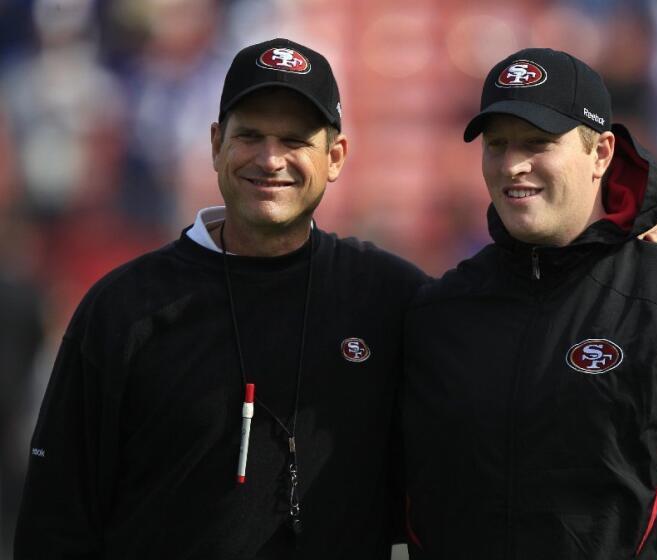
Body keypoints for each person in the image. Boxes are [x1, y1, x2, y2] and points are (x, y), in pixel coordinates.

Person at [402, 48, 657, 559]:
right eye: (497, 145)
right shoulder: (439, 313)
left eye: (538, 143)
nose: (513, 165)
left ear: (601, 153)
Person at [14, 38, 429, 559]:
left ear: (335, 157)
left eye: (295, 139)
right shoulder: (123, 306)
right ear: (216, 145)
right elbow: (56, 516)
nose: (270, 158)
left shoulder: (390, 297)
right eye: (250, 135)